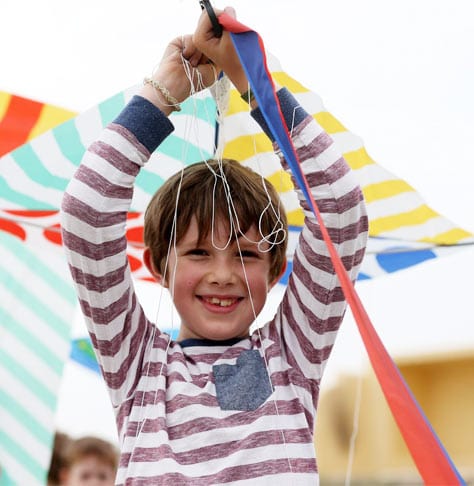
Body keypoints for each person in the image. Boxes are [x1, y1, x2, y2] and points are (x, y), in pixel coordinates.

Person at [60, 5, 367, 485]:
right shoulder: (138, 367)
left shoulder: (290, 357)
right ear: (159, 264)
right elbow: (86, 215)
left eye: (246, 254)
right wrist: (163, 91)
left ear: (276, 268)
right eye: (199, 252)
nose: (224, 274)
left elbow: (341, 211)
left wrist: (253, 84)